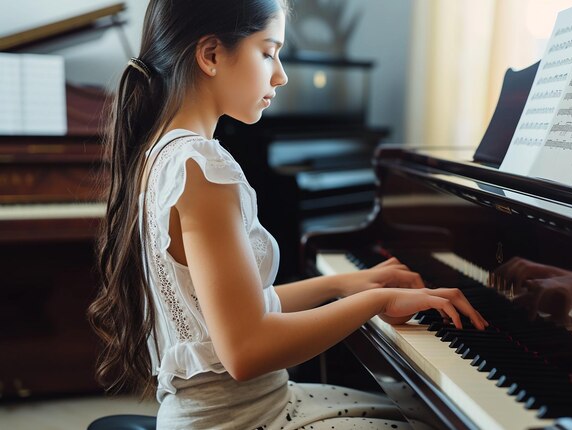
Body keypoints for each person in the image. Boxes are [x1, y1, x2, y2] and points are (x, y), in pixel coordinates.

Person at [87, 1, 488, 428]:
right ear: (211, 55)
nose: (281, 74)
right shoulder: (202, 167)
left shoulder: (162, 154)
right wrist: (378, 300)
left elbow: (234, 312)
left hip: (231, 410)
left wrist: (342, 284)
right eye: (268, 51)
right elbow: (245, 351)